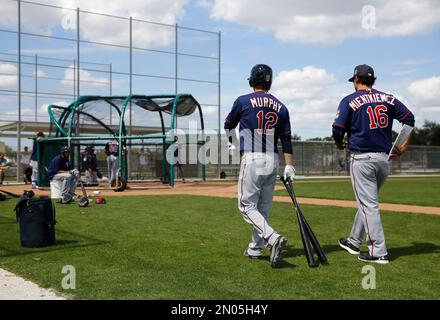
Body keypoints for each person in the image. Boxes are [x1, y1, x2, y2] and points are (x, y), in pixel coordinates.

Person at [333, 64, 415, 264]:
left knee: (368, 204)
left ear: (356, 80)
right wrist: (401, 146)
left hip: (362, 159)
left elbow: (337, 128)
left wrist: (339, 143)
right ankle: (354, 241)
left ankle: (378, 251)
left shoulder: (350, 100)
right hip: (383, 160)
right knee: (367, 202)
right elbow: (409, 119)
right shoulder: (388, 98)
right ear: (373, 81)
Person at [224, 64, 296, 268]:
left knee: (246, 206)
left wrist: (234, 144)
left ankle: (272, 238)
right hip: (273, 159)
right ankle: (255, 248)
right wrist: (289, 166)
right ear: (269, 81)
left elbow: (228, 125)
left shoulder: (243, 100)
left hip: (252, 156)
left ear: (252, 80)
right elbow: (287, 139)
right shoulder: (281, 106)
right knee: (262, 208)